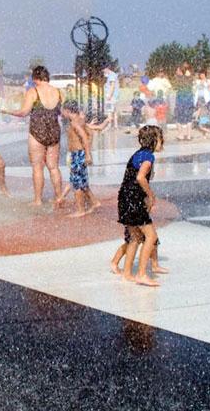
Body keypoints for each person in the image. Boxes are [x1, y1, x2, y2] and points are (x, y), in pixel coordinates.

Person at [4, 66, 63, 206]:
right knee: (53, 167)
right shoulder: (59, 92)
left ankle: (37, 200)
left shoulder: (33, 91)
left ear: (36, 78)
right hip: (54, 131)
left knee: (37, 167)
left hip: (37, 131)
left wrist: (8, 112)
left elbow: (24, 112)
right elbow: (63, 112)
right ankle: (59, 197)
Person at [115, 125, 164, 286]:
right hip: (133, 199)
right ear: (154, 141)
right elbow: (141, 177)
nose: (162, 142)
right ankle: (142, 274)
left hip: (125, 198)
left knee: (135, 237)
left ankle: (127, 273)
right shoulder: (148, 157)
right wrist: (151, 195)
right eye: (160, 139)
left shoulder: (138, 154)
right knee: (151, 236)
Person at [61, 100, 109, 217]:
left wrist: (88, 154)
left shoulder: (74, 123)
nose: (61, 113)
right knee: (82, 181)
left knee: (77, 183)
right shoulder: (79, 120)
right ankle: (94, 202)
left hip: (78, 154)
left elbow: (84, 138)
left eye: (63, 110)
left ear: (67, 111)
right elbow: (89, 133)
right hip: (80, 154)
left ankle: (80, 209)